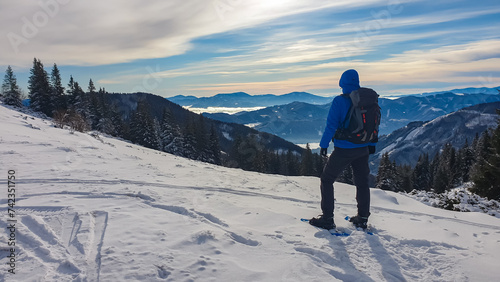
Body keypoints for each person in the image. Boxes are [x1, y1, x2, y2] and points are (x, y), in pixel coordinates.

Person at [309, 69, 378, 230]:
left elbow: (331, 125)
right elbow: (374, 124)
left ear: (342, 83)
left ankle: (327, 219)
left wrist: (324, 145)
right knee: (362, 182)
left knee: (327, 179)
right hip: (363, 148)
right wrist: (372, 145)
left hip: (344, 148)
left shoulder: (340, 101)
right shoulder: (367, 100)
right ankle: (362, 218)